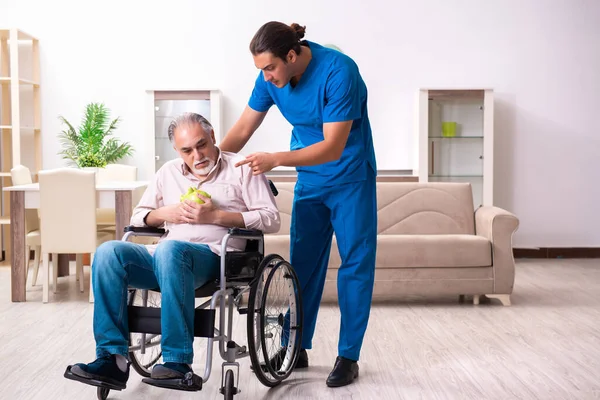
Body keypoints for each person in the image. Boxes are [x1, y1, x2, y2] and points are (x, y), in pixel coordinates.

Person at [65, 112, 280, 390]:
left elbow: (270, 219)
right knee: (108, 253)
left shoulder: (241, 168)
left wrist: (216, 216)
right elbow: (138, 217)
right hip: (166, 258)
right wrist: (165, 213)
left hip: (216, 259)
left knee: (171, 250)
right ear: (178, 151)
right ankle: (112, 360)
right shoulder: (167, 172)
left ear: (213, 136)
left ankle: (177, 362)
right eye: (187, 150)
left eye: (201, 145)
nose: (197, 155)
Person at [219, 21, 377, 387]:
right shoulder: (270, 77)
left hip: (350, 177)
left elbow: (333, 146)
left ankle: (348, 356)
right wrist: (211, 167)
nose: (266, 77)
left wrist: (275, 158)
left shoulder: (339, 71)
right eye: (261, 70)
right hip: (311, 180)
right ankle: (296, 346)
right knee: (302, 267)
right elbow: (242, 131)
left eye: (270, 68)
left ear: (292, 56)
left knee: (355, 265)